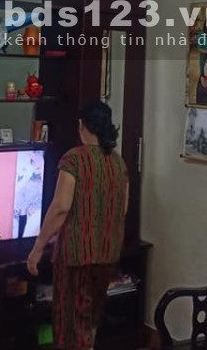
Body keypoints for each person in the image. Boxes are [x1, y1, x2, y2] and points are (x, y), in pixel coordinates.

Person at [27, 101, 129, 350]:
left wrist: (38, 247)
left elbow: (61, 207)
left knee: (70, 323)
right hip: (107, 253)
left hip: (77, 255)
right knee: (90, 319)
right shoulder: (118, 162)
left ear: (82, 126)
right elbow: (122, 209)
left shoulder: (74, 159)